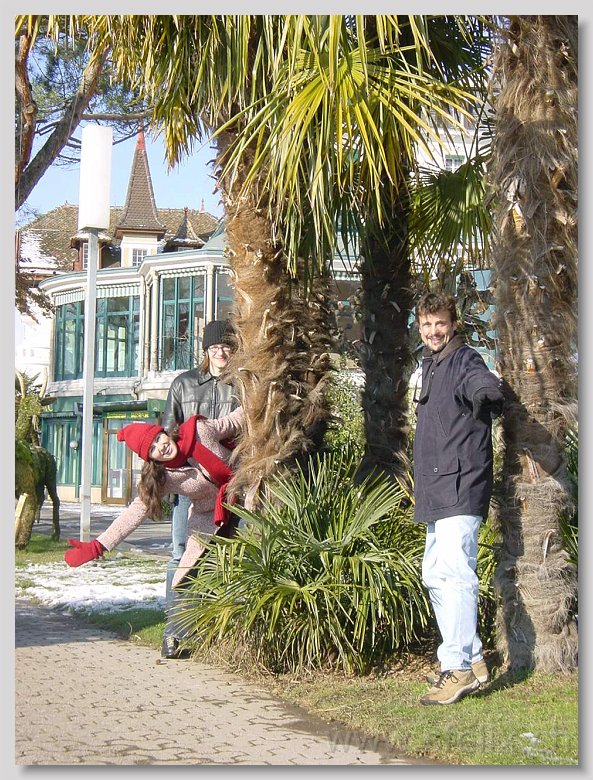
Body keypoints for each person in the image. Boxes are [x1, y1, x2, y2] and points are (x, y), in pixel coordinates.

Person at [64, 406, 244, 659]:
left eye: (159, 438)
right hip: (208, 518)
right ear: (151, 459)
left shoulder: (200, 430)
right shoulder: (164, 477)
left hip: (246, 495)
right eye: (153, 449)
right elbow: (136, 511)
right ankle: (174, 637)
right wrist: (99, 545)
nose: (161, 446)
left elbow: (238, 419)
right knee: (186, 575)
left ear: (164, 433)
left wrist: (270, 396)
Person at [412, 291, 504, 706]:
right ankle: (474, 657)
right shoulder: (432, 365)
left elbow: (480, 382)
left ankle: (458, 667)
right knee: (435, 574)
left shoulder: (465, 359)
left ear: (453, 325)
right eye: (427, 324)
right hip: (436, 488)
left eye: (440, 323)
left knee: (456, 574)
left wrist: (488, 392)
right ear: (420, 327)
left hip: (460, 485)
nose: (434, 331)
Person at [161, 319, 239, 657]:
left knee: (226, 558)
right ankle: (174, 633)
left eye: (227, 346)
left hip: (231, 488)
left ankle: (218, 634)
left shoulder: (242, 385)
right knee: (181, 554)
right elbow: (166, 435)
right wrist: (173, 482)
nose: (221, 352)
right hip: (190, 487)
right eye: (215, 347)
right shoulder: (184, 384)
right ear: (206, 350)